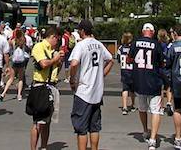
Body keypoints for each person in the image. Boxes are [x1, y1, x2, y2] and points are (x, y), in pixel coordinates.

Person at [68, 19, 113, 150]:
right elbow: (110, 59)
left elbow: (74, 63)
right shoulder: (98, 44)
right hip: (97, 92)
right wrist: (102, 74)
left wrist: (72, 79)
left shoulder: (81, 45)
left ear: (82, 31)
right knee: (94, 127)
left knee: (81, 128)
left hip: (84, 91)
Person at [130, 22, 166, 149]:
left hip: (139, 81)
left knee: (142, 108)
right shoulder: (157, 44)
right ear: (153, 32)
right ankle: (152, 138)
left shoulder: (135, 43)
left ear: (142, 31)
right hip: (153, 81)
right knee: (155, 110)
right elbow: (162, 64)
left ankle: (145, 130)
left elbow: (129, 59)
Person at [29, 27, 64, 150]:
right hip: (40, 86)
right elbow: (43, 64)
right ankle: (34, 148)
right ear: (53, 36)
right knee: (38, 122)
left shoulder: (53, 50)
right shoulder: (39, 47)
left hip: (51, 86)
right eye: (57, 39)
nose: (58, 43)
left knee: (47, 122)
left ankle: (44, 147)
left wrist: (59, 62)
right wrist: (54, 59)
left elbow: (56, 71)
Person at [2, 30, 30, 102]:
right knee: (20, 79)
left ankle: (4, 93)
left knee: (11, 78)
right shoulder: (23, 41)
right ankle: (19, 95)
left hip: (14, 62)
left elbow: (9, 49)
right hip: (21, 62)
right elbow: (27, 48)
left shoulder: (13, 41)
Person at [118, 32, 135, 115]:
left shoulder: (120, 48)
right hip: (132, 70)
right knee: (132, 89)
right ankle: (132, 104)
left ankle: (124, 106)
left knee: (125, 89)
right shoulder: (133, 48)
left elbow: (118, 59)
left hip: (124, 70)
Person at [158, 28, 173, 116]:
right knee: (168, 87)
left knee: (160, 87)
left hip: (160, 67)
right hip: (168, 67)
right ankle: (169, 103)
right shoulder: (169, 45)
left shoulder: (158, 44)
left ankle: (160, 106)